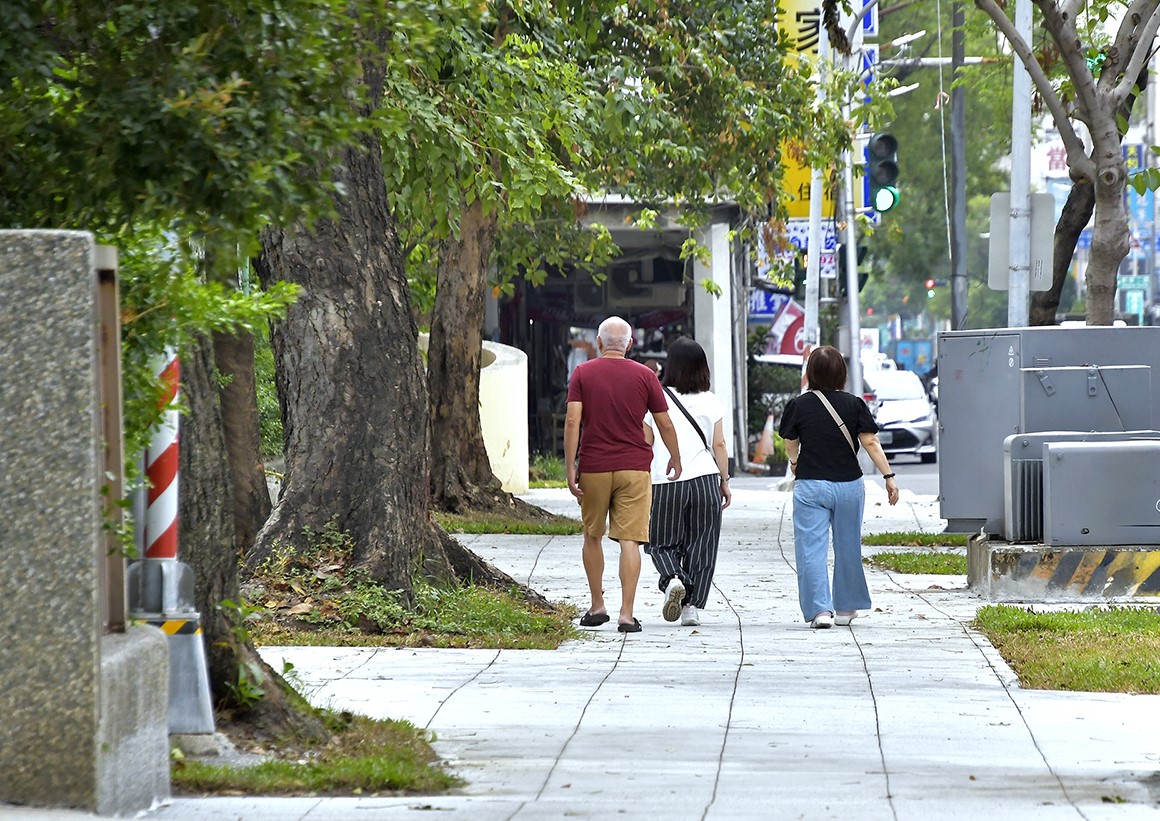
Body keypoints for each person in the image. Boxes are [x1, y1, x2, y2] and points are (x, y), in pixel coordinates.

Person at [564, 316, 682, 633]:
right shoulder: (645, 375)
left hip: (594, 466)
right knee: (630, 541)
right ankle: (627, 615)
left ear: (599, 343)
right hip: (634, 468)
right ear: (630, 344)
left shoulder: (582, 373)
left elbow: (573, 421)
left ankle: (596, 605)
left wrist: (570, 465)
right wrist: (675, 456)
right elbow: (665, 423)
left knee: (592, 534)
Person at [777, 346, 900, 629]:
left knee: (811, 550)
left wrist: (795, 462)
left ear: (810, 373)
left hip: (811, 487)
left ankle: (821, 611)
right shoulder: (854, 404)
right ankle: (845, 608)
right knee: (848, 547)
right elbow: (871, 443)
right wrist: (888, 477)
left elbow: (790, 440)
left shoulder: (798, 405)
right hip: (849, 486)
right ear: (841, 373)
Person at [642, 337, 731, 627]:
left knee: (659, 542)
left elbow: (647, 442)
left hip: (667, 479)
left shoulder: (657, 398)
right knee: (703, 544)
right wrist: (724, 481)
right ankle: (691, 607)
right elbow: (719, 445)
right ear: (702, 368)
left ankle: (673, 579)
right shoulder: (711, 400)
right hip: (706, 479)